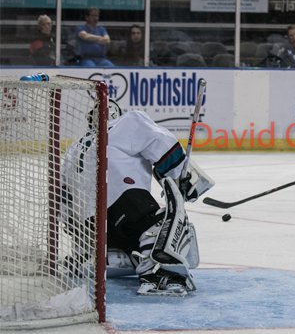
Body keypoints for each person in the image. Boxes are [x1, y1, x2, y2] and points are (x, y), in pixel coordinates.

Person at [61, 101, 213, 296]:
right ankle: (160, 272)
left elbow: (62, 196)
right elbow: (165, 148)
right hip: (123, 204)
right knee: (161, 225)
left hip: (89, 227)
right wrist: (184, 181)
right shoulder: (128, 121)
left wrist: (78, 233)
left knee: (127, 235)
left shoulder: (74, 147)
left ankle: (108, 255)